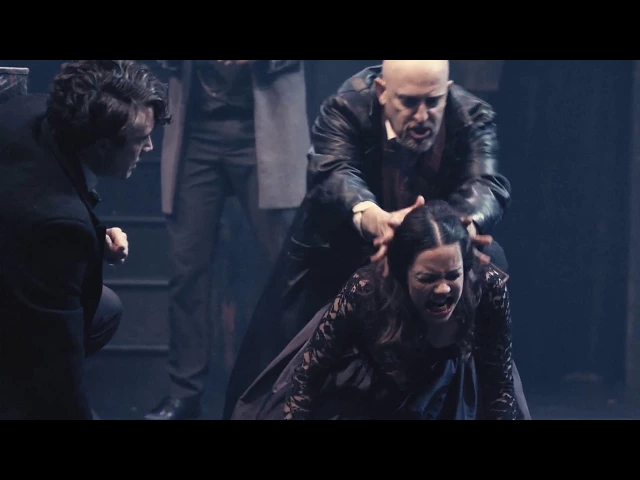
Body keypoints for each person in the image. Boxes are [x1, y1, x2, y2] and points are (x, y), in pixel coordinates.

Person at [224, 60, 530, 420]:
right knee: (289, 365)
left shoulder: (472, 115)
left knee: (489, 266)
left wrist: (457, 229)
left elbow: (486, 183)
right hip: (346, 246)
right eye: (409, 102)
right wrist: (376, 219)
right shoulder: (346, 107)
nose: (422, 116)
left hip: (433, 249)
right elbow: (333, 171)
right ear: (382, 92)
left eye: (433, 102)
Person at [231, 201, 516, 420]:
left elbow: (499, 385)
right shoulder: (366, 291)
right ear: (403, 273)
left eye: (453, 275)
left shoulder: (487, 288)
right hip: (370, 398)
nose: (442, 289)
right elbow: (309, 375)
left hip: (446, 398)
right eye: (427, 278)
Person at [0, 59, 170, 420]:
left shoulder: (32, 112)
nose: (150, 148)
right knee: (96, 314)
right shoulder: (57, 222)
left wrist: (93, 237)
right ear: (103, 145)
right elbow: (59, 368)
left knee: (102, 307)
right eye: (141, 139)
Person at [146, 60, 310, 420]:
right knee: (186, 271)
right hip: (194, 128)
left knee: (289, 269)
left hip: (268, 125)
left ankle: (299, 385)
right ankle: (184, 394)